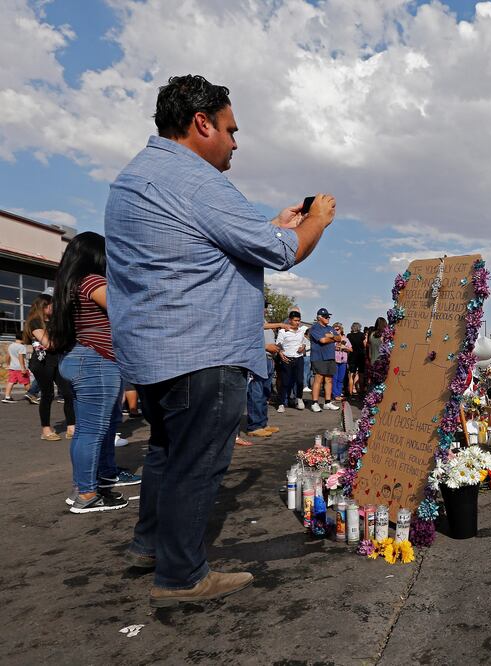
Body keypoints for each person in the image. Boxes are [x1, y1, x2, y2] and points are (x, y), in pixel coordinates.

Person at [106, 74, 334, 606]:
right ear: (201, 123)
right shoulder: (195, 180)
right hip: (202, 352)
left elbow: (202, 247)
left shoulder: (137, 177)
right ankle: (182, 576)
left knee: (166, 453)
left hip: (157, 354)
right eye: (230, 130)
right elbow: (281, 251)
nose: (235, 142)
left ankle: (150, 545)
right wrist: (316, 222)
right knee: (197, 465)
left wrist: (271, 223)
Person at [50, 232, 133, 514]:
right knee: (92, 432)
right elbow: (124, 310)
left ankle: (84, 488)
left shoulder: (69, 285)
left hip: (80, 357)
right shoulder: (92, 281)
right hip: (96, 361)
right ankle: (87, 494)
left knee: (87, 431)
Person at [24, 294, 76, 441]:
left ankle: (71, 427)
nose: (54, 307)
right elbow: (49, 344)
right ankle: (46, 430)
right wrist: (64, 340)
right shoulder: (35, 322)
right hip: (42, 363)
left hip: (57, 360)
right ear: (44, 306)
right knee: (48, 395)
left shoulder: (54, 322)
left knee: (68, 393)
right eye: (52, 305)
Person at [244, 301, 285, 438]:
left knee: (264, 393)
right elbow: (248, 340)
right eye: (262, 306)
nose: (265, 309)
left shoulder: (263, 321)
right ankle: (254, 426)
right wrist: (267, 346)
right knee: (256, 392)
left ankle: (262, 423)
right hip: (258, 358)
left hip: (268, 359)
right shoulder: (251, 320)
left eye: (265, 306)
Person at [307, 307, 341, 412]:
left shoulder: (330, 328)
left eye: (328, 316)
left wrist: (331, 336)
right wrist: (333, 338)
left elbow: (339, 338)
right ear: (319, 317)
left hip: (330, 357)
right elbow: (322, 340)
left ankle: (327, 402)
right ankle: (314, 403)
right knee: (318, 379)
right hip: (319, 357)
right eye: (326, 317)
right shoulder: (315, 328)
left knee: (329, 379)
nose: (328, 318)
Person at [275, 311, 307, 412]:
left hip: (299, 358)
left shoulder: (301, 331)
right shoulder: (283, 331)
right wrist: (281, 354)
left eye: (299, 320)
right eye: (295, 320)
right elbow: (278, 345)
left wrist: (303, 347)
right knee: (285, 382)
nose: (297, 322)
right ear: (290, 320)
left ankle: (299, 399)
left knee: (300, 381)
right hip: (287, 358)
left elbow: (304, 342)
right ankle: (281, 403)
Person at [3, 336, 30, 402]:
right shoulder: (21, 347)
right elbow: (21, 357)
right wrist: (23, 368)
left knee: (11, 382)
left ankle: (7, 397)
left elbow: (8, 356)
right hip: (20, 368)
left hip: (12, 367)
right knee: (26, 382)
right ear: (23, 338)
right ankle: (32, 395)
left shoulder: (11, 345)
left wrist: (8, 364)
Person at [331, 322, 351, 401]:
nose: (336, 331)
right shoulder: (332, 339)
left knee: (341, 379)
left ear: (341, 329)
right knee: (334, 378)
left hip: (343, 361)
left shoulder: (345, 339)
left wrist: (345, 347)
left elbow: (351, 349)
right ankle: (335, 394)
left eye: (338, 329)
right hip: (334, 360)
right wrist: (334, 347)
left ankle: (338, 394)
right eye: (335, 329)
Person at [346, 322, 366, 397]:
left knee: (351, 375)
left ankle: (350, 392)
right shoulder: (362, 335)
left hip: (352, 356)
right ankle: (361, 392)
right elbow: (364, 345)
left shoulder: (349, 335)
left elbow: (347, 346)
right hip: (361, 356)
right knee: (361, 374)